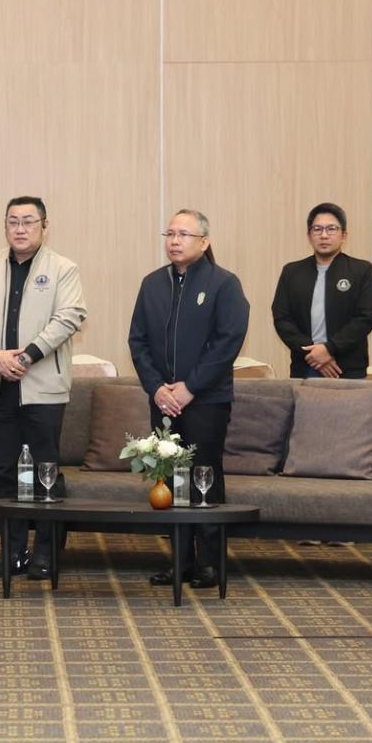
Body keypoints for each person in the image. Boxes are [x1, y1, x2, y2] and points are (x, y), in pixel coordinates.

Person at [0, 196, 88, 580]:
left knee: (46, 471)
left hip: (43, 388)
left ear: (44, 226)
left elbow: (69, 318)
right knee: (5, 473)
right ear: (5, 226)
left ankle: (46, 553)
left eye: (29, 221)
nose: (20, 229)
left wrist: (27, 356)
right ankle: (13, 552)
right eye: (13, 221)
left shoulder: (63, 268)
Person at [128, 208, 250, 589]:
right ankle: (180, 560)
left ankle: (210, 563)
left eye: (184, 234)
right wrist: (157, 388)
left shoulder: (223, 283)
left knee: (203, 475)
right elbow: (137, 341)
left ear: (204, 241)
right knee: (168, 477)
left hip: (206, 400)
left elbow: (228, 341)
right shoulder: (152, 284)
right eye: (170, 234)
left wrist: (189, 388)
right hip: (163, 400)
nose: (175, 241)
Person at [271, 202, 372, 378]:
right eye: (317, 229)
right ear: (309, 235)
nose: (324, 235)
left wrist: (329, 349)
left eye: (331, 229)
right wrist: (313, 354)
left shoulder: (361, 270)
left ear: (344, 236)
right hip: (305, 365)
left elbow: (365, 317)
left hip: (347, 368)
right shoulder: (292, 272)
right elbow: (282, 318)